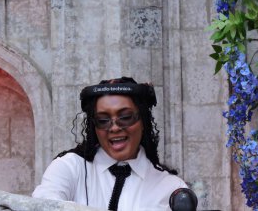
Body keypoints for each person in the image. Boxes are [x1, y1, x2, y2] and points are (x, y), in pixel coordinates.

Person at [32, 77, 187, 211]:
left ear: (143, 121)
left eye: (125, 117)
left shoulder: (171, 187)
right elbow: (41, 205)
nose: (114, 128)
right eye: (103, 120)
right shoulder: (70, 167)